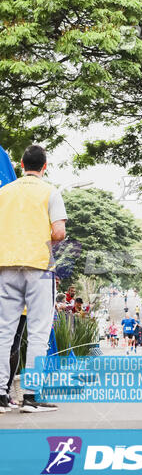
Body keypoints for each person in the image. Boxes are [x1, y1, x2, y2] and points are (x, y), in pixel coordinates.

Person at [0, 145, 67, 413]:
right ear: (45, 166)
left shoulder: (4, 192)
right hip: (38, 267)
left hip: (6, 266)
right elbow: (59, 232)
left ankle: (1, 396)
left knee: (4, 332)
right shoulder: (50, 191)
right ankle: (30, 396)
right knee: (38, 332)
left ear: (20, 164)